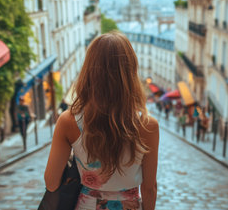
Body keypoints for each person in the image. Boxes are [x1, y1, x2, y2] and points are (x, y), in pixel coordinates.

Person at [44, 32, 159, 210]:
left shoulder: (68, 121)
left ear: (89, 70)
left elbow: (51, 183)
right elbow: (149, 188)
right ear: (130, 71)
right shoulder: (147, 125)